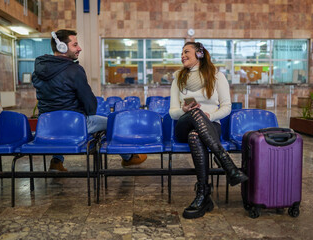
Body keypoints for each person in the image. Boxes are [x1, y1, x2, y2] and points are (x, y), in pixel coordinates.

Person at [32, 29, 146, 171]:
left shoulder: (38, 72)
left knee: (58, 122)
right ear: (62, 47)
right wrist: (85, 111)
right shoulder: (74, 70)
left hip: (47, 127)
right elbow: (90, 104)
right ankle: (129, 158)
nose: (79, 48)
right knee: (112, 122)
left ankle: (56, 161)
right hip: (74, 125)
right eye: (75, 45)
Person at [169, 42, 248, 219]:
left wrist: (209, 116)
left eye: (186, 52)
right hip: (183, 125)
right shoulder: (178, 79)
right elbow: (172, 112)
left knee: (195, 136)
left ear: (199, 54)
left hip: (211, 125)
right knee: (194, 114)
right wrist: (185, 110)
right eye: (181, 52)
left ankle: (203, 195)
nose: (182, 55)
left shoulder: (217, 76)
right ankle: (228, 165)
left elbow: (226, 107)